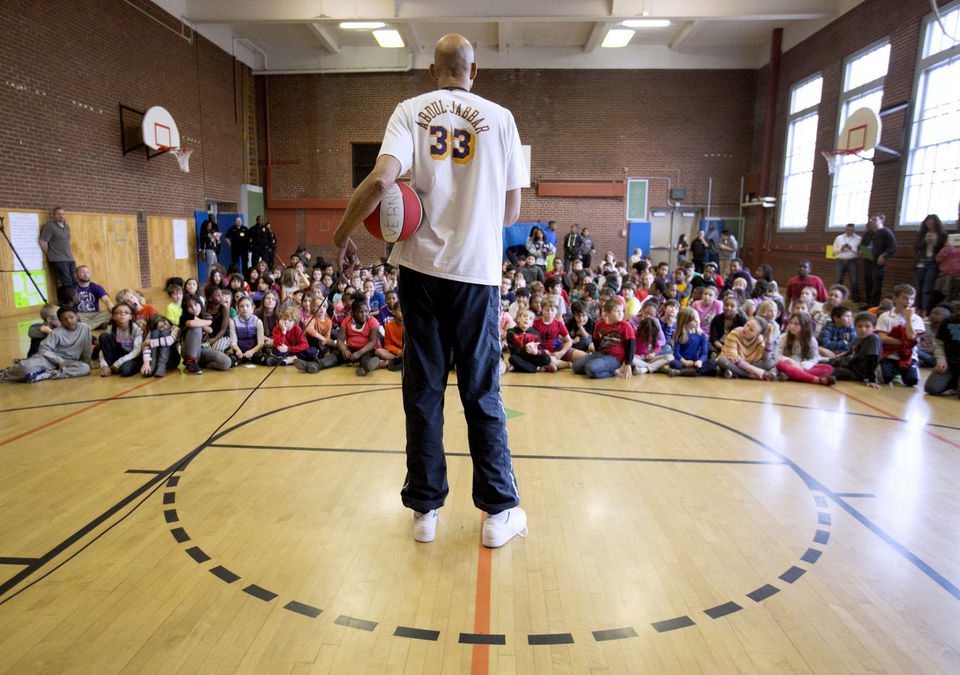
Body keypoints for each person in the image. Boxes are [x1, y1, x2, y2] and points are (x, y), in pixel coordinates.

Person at [332, 34, 527, 548]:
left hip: (419, 272)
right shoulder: (502, 119)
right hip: (476, 274)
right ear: (475, 71)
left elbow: (380, 181)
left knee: (422, 393)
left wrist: (343, 233)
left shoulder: (409, 110)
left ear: (430, 71)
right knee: (481, 393)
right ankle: (499, 512)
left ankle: (425, 509)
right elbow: (511, 214)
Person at [0, 305, 91, 383]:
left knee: (85, 368)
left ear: (77, 316)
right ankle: (5, 374)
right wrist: (59, 361)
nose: (69, 321)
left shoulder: (85, 328)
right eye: (64, 319)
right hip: (50, 360)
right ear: (60, 321)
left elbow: (87, 348)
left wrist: (87, 361)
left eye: (71, 317)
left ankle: (46, 375)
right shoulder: (56, 332)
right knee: (25, 367)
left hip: (68, 362)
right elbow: (43, 349)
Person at [876, 283, 924, 386]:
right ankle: (892, 370)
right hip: (889, 355)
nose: (909, 302)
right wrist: (905, 342)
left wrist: (908, 319)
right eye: (905, 298)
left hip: (908, 355)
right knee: (885, 378)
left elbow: (911, 337)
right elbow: (883, 338)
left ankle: (903, 370)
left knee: (912, 381)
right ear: (895, 299)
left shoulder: (916, 319)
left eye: (911, 299)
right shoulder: (885, 316)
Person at [775, 313, 835, 385]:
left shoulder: (811, 340)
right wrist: (791, 361)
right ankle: (816, 380)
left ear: (804, 326)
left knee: (828, 368)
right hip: (788, 366)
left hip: (804, 367)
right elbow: (777, 356)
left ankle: (790, 376)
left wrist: (802, 366)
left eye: (796, 324)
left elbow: (814, 358)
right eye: (791, 323)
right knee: (780, 364)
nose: (792, 326)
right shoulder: (784, 337)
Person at [830, 312, 882, 388]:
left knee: (830, 371)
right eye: (859, 326)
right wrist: (835, 359)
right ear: (855, 328)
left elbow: (873, 358)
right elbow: (850, 353)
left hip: (858, 373)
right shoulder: (856, 339)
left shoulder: (873, 338)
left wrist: (872, 380)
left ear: (873, 328)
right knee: (824, 363)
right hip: (850, 366)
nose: (863, 329)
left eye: (867, 326)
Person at [39, 207, 76, 303]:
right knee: (66, 282)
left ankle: (74, 302)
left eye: (63, 214)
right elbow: (43, 241)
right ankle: (68, 304)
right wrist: (50, 254)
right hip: (59, 259)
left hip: (70, 258)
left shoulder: (67, 227)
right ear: (54, 215)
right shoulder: (50, 226)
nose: (61, 216)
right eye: (59, 214)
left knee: (74, 280)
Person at [912, 214, 947, 316]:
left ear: (936, 222)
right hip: (920, 262)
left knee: (927, 288)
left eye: (931, 221)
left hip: (932, 263)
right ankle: (918, 309)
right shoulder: (922, 234)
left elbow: (942, 249)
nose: (929, 223)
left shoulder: (942, 234)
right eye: (928, 221)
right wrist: (925, 241)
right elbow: (916, 247)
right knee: (919, 287)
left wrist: (934, 244)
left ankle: (925, 310)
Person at [861, 213, 897, 307]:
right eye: (870, 219)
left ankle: (874, 304)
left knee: (876, 284)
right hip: (868, 261)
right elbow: (863, 245)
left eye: (874, 219)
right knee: (868, 282)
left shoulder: (886, 232)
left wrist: (884, 255)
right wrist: (861, 251)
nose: (871, 221)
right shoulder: (868, 233)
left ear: (881, 220)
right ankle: (868, 303)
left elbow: (893, 247)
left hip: (878, 263)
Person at [924, 306, 960, 397]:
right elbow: (939, 343)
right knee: (931, 388)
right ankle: (953, 382)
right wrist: (941, 360)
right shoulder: (948, 321)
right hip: (949, 363)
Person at [72, 264, 113, 329]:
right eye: (82, 272)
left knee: (110, 312)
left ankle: (86, 327)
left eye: (87, 272)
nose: (86, 275)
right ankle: (96, 325)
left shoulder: (96, 287)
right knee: (69, 315)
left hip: (95, 315)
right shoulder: (72, 288)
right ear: (75, 275)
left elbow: (107, 300)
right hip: (80, 316)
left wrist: (115, 311)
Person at [832, 223, 861, 302]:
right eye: (848, 230)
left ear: (854, 230)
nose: (849, 231)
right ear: (845, 229)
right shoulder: (839, 238)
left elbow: (860, 253)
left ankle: (855, 300)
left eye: (851, 230)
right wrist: (841, 249)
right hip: (840, 261)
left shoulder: (858, 238)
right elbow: (833, 251)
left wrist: (852, 249)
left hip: (852, 261)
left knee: (854, 281)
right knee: (838, 280)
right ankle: (837, 297)